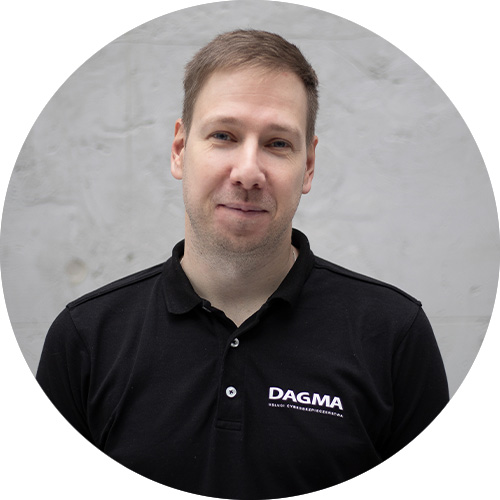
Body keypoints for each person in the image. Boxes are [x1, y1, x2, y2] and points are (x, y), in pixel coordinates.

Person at [36, 30, 449, 499]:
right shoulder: (86, 339)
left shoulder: (393, 335)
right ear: (179, 149)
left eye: (277, 143)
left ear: (309, 165)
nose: (248, 172)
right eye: (224, 136)